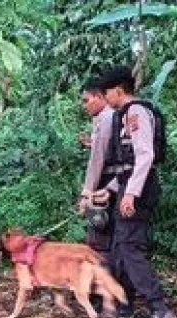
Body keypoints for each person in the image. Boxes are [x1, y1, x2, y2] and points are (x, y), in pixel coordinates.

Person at [92, 66, 176, 318]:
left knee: (130, 248)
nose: (105, 99)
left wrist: (131, 194)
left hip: (139, 189)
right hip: (130, 186)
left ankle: (160, 309)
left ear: (118, 90)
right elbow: (128, 165)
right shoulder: (124, 115)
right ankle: (123, 304)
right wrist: (113, 189)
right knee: (118, 246)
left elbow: (145, 156)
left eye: (106, 93)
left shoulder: (135, 112)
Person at [78, 78, 116, 258]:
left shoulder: (107, 118)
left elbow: (98, 159)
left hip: (107, 181)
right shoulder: (110, 116)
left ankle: (104, 280)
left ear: (99, 97)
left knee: (100, 233)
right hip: (116, 180)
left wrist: (87, 193)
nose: (84, 105)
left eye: (86, 100)